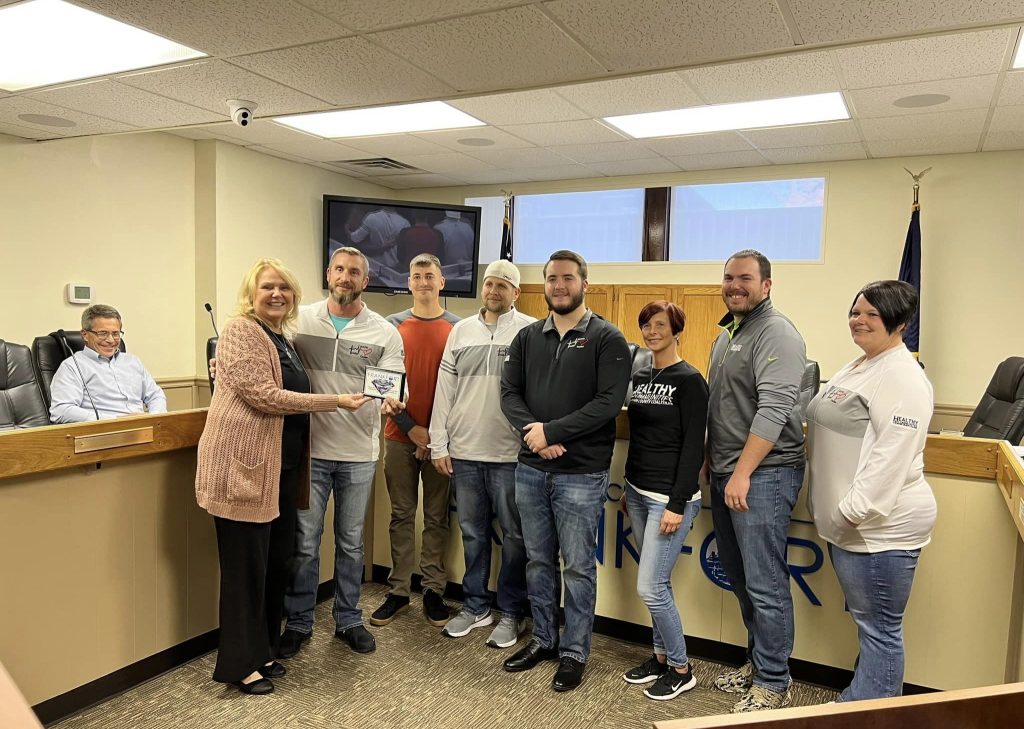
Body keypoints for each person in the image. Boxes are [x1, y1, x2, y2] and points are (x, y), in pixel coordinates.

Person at [194, 258, 370, 695]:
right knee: (245, 572)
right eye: (267, 287)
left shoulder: (282, 338)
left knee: (275, 566)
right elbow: (264, 396)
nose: (277, 294)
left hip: (280, 473)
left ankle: (264, 650)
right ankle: (239, 665)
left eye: (284, 288)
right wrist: (335, 402)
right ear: (251, 294)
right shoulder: (241, 330)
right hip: (242, 473)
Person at [500, 249, 631, 692]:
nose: (559, 285)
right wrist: (534, 434)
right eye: (552, 278)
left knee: (576, 567)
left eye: (568, 278)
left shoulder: (607, 338)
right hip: (531, 470)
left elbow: (607, 403)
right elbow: (509, 393)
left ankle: (574, 651)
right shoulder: (527, 338)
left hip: (581, 473)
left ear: (584, 284)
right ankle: (543, 639)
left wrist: (552, 431)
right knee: (538, 560)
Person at [806, 280, 935, 702]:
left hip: (879, 528)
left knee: (880, 630)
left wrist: (851, 511)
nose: (858, 320)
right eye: (855, 312)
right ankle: (868, 704)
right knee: (871, 626)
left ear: (899, 323)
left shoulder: (903, 377)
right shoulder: (860, 365)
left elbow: (892, 456)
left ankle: (866, 712)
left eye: (871, 314)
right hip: (849, 526)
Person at [278, 247, 406, 659]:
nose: (345, 277)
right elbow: (268, 357)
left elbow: (391, 385)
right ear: (328, 274)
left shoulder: (383, 332)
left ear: (365, 281)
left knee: (350, 544)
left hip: (358, 453)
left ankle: (348, 619)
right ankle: (299, 621)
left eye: (354, 272)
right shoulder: (299, 320)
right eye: (339, 269)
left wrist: (392, 401)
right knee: (305, 542)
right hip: (310, 451)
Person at [707, 249, 807, 713]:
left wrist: (743, 472)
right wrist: (711, 461)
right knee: (743, 579)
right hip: (728, 473)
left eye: (745, 278)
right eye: (729, 277)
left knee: (765, 583)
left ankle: (773, 680)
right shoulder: (729, 331)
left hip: (762, 476)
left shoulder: (776, 332)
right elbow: (722, 405)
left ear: (766, 285)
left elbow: (774, 409)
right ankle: (758, 661)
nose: (735, 285)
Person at [430, 260, 535, 648]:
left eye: (502, 285)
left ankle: (511, 612)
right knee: (473, 534)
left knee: (515, 538)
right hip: (466, 452)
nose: (493, 290)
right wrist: (439, 443)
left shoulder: (530, 332)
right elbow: (445, 392)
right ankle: (475, 606)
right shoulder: (460, 332)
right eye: (489, 283)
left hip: (510, 455)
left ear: (516, 293)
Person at [620, 301, 708, 701]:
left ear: (676, 331)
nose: (651, 331)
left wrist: (677, 502)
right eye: (646, 325)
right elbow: (639, 439)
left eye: (659, 325)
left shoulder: (690, 381)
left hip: (669, 500)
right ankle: (659, 657)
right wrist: (628, 488)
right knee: (658, 583)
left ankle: (681, 668)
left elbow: (693, 447)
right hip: (638, 493)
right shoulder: (640, 376)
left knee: (651, 587)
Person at [372, 254, 460, 628]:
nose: (423, 281)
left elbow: (459, 390)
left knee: (437, 517)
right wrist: (411, 428)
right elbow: (382, 384)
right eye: (417, 275)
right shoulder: (390, 326)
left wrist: (434, 436)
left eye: (430, 275)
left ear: (442, 282)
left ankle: (434, 591)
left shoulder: (458, 329)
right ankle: (398, 591)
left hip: (441, 442)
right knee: (401, 515)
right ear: (408, 282)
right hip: (399, 436)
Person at [49, 304, 166, 423]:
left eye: (115, 334)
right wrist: (117, 420)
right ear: (85, 335)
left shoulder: (133, 361)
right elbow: (61, 411)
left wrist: (154, 418)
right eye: (102, 333)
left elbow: (156, 396)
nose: (110, 340)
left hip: (145, 428)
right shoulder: (72, 366)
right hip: (105, 431)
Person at [348, 206, 409, 271]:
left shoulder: (372, 218)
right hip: (394, 268)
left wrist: (347, 230)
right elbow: (406, 250)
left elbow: (355, 238)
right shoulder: (405, 223)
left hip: (374, 265)